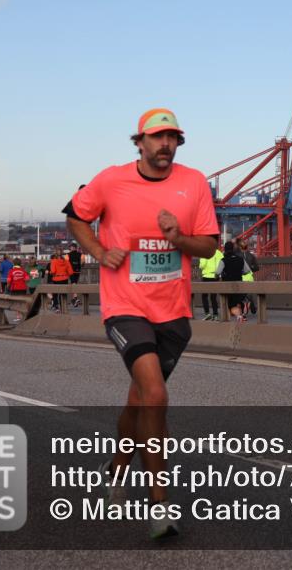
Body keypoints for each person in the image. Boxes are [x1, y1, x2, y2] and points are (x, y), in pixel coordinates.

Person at [63, 107, 219, 539]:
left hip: (173, 313)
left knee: (139, 401)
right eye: (157, 137)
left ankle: (115, 472)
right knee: (154, 392)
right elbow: (76, 215)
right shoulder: (112, 180)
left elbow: (207, 248)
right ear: (140, 142)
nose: (165, 144)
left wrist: (178, 239)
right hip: (125, 306)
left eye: (172, 138)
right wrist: (98, 251)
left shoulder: (194, 183)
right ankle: (159, 505)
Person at [216, 240, 251, 322]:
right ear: (233, 249)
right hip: (239, 283)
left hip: (228, 285)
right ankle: (242, 314)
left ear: (225, 249)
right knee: (237, 301)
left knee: (231, 305)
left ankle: (239, 316)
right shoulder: (240, 259)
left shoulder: (223, 260)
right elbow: (247, 271)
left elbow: (218, 272)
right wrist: (240, 272)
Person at [198, 247, 223, 321]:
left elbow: (202, 265)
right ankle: (215, 315)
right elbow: (222, 263)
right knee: (213, 297)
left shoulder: (205, 251)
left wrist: (200, 265)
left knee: (204, 296)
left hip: (206, 276)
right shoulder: (219, 253)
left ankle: (207, 314)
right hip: (215, 276)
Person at [236, 237, 259, 314]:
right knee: (249, 294)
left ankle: (243, 311)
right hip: (249, 277)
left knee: (242, 295)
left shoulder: (237, 256)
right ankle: (252, 307)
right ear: (247, 247)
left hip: (240, 277)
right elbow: (257, 267)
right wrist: (250, 269)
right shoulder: (251, 256)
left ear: (239, 247)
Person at [6, 257, 31, 322]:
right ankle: (24, 315)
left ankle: (18, 316)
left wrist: (7, 287)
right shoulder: (23, 270)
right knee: (22, 302)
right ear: (20, 264)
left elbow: (8, 281)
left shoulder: (11, 271)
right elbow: (27, 279)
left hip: (14, 288)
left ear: (13, 263)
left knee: (16, 303)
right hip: (23, 288)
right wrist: (21, 280)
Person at [67, 242, 83, 307]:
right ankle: (74, 299)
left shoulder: (68, 255)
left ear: (71, 248)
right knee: (75, 283)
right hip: (77, 271)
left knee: (73, 284)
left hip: (71, 272)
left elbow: (66, 263)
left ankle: (75, 298)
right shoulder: (80, 254)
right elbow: (82, 263)